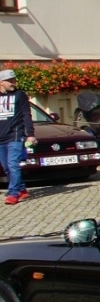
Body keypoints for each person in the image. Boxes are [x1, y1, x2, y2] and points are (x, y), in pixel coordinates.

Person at [0, 69, 36, 205]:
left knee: (13, 164)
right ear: (1, 82)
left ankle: (13, 193)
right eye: (10, 81)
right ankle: (22, 189)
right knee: (6, 167)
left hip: (15, 135)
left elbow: (27, 115)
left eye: (14, 80)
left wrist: (30, 134)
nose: (13, 83)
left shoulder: (19, 95)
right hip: (1, 138)